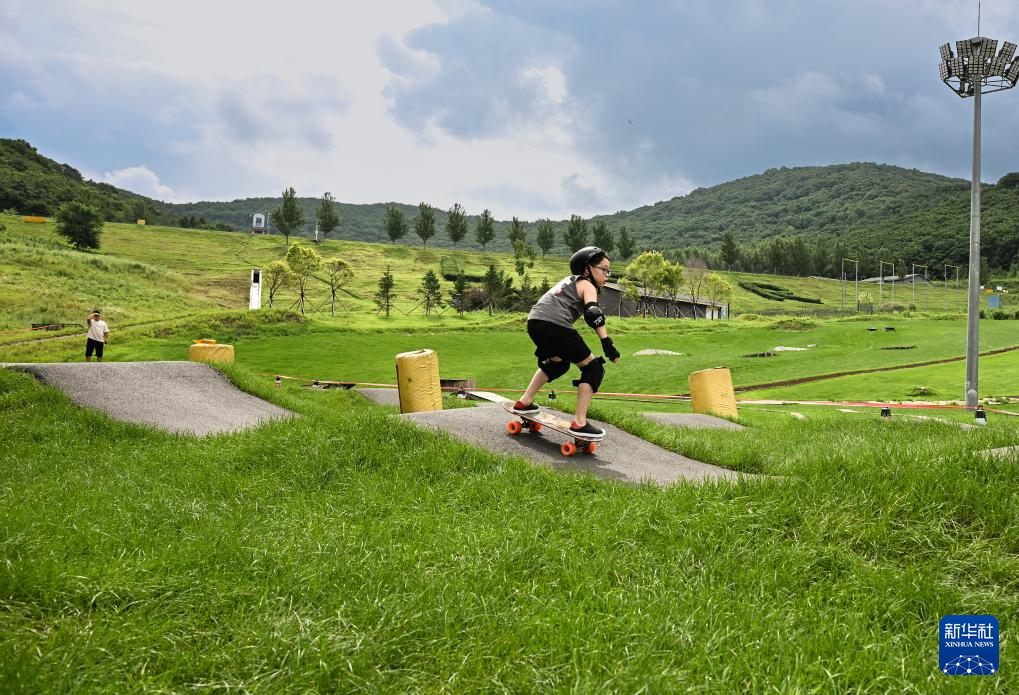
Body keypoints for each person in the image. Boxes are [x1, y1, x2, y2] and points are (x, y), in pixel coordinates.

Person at [511, 246, 621, 439]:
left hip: (534, 322)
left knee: (558, 363)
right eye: (604, 270)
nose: (607, 275)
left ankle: (525, 402)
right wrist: (606, 342)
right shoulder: (587, 284)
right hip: (555, 326)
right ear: (587, 269)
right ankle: (579, 423)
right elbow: (593, 313)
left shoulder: (568, 281)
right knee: (594, 368)